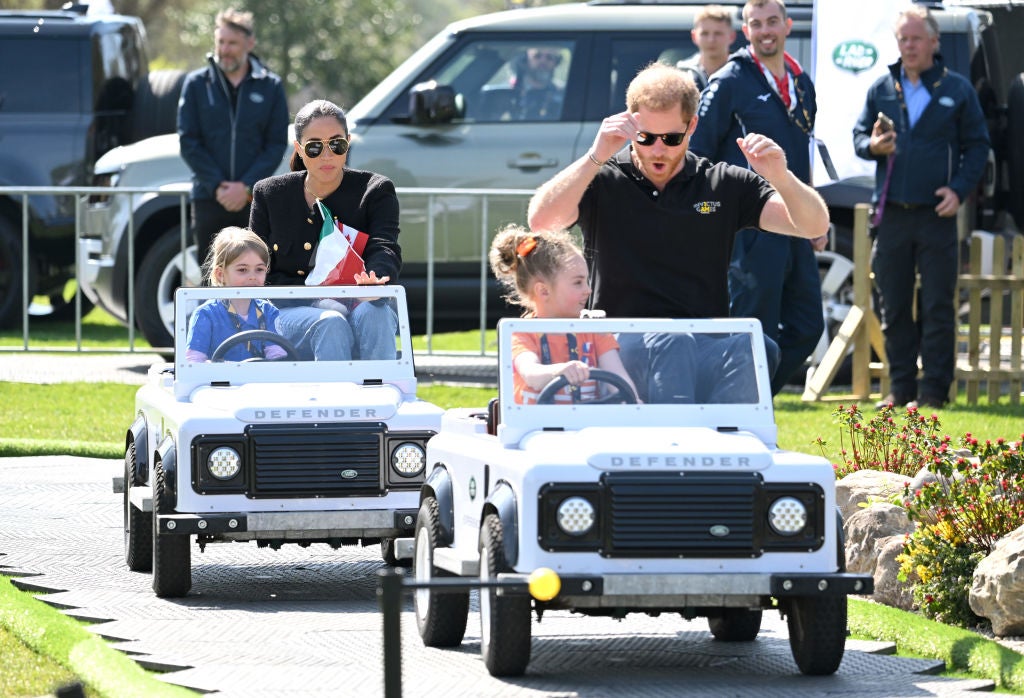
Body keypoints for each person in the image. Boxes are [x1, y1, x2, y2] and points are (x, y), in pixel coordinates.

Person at [527, 61, 829, 403]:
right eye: (645, 137)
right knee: (674, 341)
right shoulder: (602, 179)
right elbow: (541, 221)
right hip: (618, 344)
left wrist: (782, 177)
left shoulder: (720, 183)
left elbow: (813, 225)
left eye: (671, 138)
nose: (658, 149)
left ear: (692, 127)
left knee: (758, 346)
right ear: (630, 124)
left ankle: (729, 445)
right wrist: (596, 155)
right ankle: (677, 446)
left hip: (701, 339)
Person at [688, 0, 826, 396]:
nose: (765, 30)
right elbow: (697, 155)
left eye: (772, 22)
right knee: (754, 327)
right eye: (755, 23)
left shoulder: (801, 83)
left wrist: (815, 218)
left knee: (806, 326)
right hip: (750, 225)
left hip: (794, 221)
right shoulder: (730, 79)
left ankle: (746, 402)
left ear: (787, 25)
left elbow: (801, 155)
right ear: (745, 31)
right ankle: (739, 412)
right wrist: (710, 214)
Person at [853, 6, 989, 409]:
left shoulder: (958, 89)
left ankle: (933, 393)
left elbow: (978, 146)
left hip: (936, 214)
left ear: (933, 42)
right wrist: (872, 146)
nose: (908, 46)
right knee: (893, 306)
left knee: (937, 306)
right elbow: (859, 136)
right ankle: (900, 390)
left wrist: (959, 190)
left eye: (915, 39)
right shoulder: (881, 87)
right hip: (891, 212)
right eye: (902, 39)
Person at [249, 99, 401, 361]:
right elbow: (253, 261)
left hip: (356, 299)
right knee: (330, 322)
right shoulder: (269, 194)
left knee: (375, 313)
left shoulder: (375, 190)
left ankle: (383, 393)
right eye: (315, 147)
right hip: (287, 309)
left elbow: (384, 245)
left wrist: (375, 279)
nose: (327, 155)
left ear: (348, 143)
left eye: (336, 144)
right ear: (299, 149)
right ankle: (336, 399)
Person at [178, 8, 289, 267]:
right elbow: (188, 141)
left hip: (253, 199)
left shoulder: (270, 86)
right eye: (221, 42)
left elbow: (274, 145)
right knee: (211, 274)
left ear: (249, 44)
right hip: (208, 197)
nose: (225, 50)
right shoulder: (196, 84)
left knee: (253, 273)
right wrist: (218, 186)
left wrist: (247, 187)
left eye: (232, 43)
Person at [489, 225, 639, 404]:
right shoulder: (522, 332)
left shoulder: (595, 329)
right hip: (535, 428)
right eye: (578, 283)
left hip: (588, 427)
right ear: (543, 291)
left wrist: (635, 404)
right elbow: (531, 374)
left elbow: (620, 380)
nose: (588, 290)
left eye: (587, 281)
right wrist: (560, 371)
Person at [185, 226, 287, 363]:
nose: (252, 277)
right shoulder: (205, 315)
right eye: (243, 270)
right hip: (218, 383)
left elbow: (278, 357)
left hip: (260, 383)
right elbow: (194, 363)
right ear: (220, 274)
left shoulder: (269, 312)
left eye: (259, 269)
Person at [676, 5, 737, 90]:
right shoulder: (683, 76)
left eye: (718, 33)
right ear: (694, 36)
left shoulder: (746, 73)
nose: (711, 40)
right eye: (704, 33)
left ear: (732, 36)